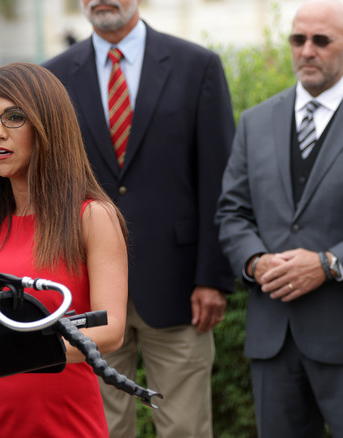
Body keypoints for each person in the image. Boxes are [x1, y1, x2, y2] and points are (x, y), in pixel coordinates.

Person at [215, 1, 343, 436]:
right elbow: (232, 212)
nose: (307, 50)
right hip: (274, 336)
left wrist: (328, 264)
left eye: (320, 40)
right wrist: (256, 262)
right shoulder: (255, 122)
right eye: (298, 39)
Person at [43, 1, 235, 436]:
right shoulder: (52, 76)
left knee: (185, 426)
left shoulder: (196, 66)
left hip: (180, 285)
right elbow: (48, 184)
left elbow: (218, 179)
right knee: (101, 427)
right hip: (85, 286)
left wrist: (213, 277)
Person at [0, 62, 128, 438]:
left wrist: (12, 351)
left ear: (48, 125)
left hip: (65, 422)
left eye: (13, 117)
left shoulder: (92, 217)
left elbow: (110, 330)